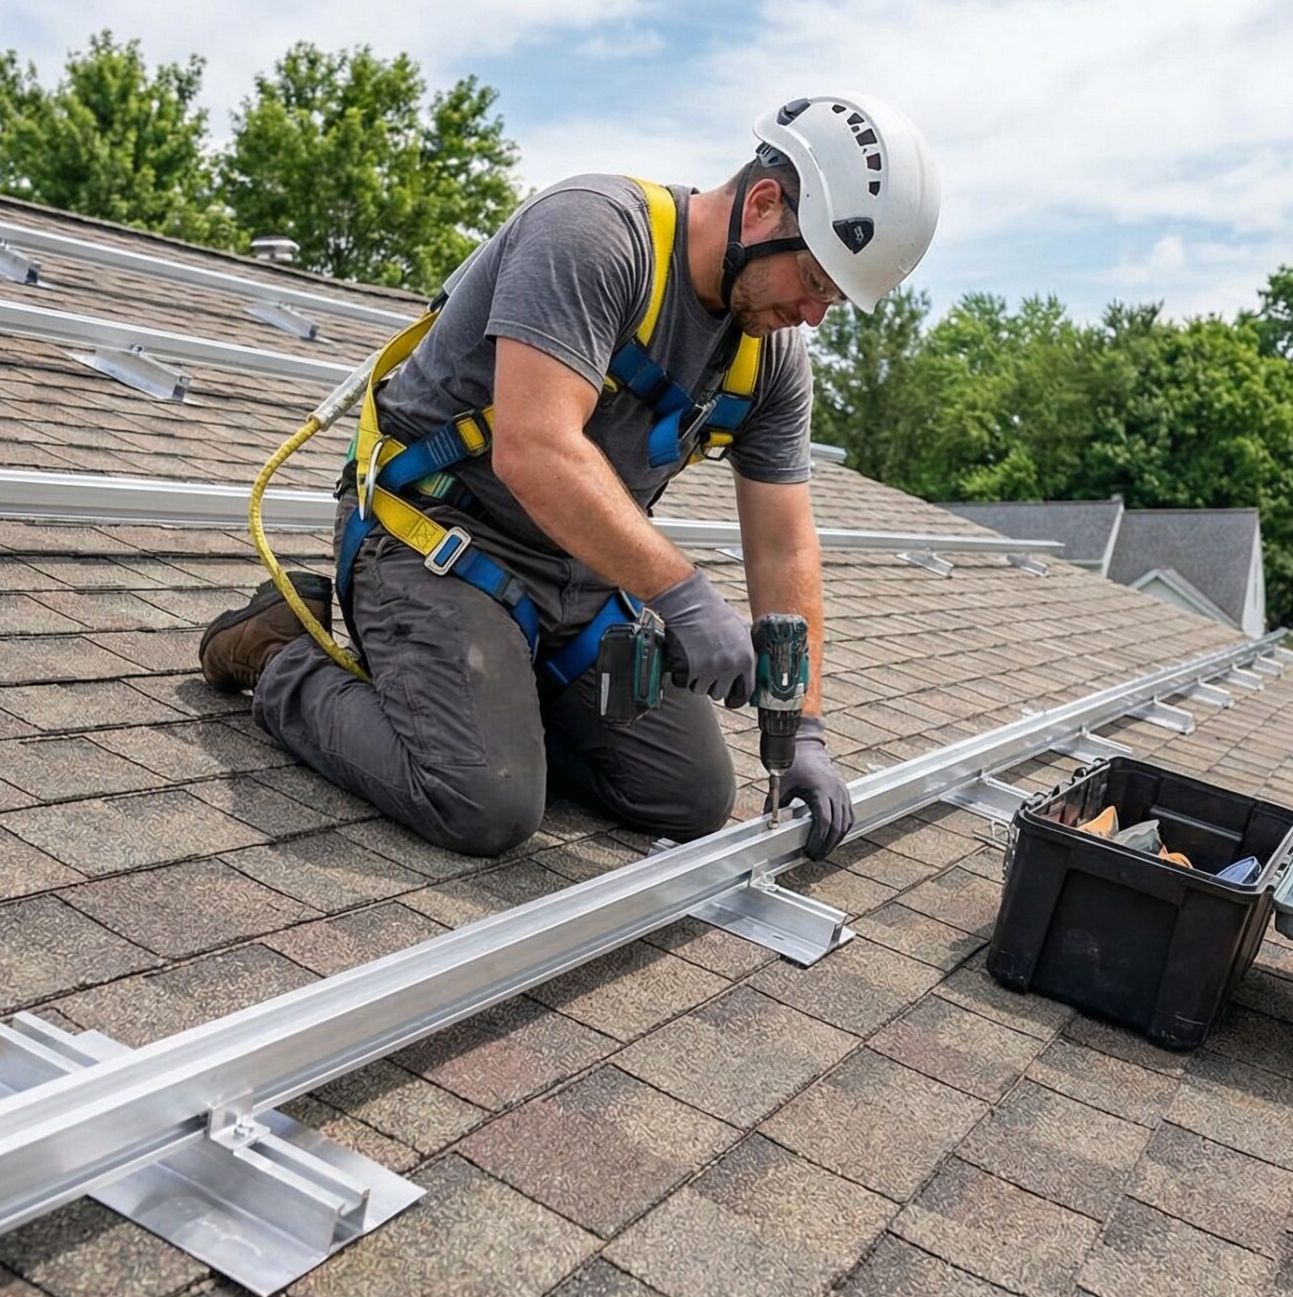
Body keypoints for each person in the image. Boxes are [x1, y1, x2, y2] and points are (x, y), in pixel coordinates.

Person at [200, 94, 941, 861]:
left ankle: (496, 703)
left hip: (578, 576)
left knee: (687, 797)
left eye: (833, 298)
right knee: (481, 802)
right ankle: (280, 660)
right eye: (816, 280)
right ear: (761, 206)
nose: (815, 314)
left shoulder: (771, 358)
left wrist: (806, 728)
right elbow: (535, 446)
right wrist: (682, 595)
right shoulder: (594, 233)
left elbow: (786, 546)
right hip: (437, 539)